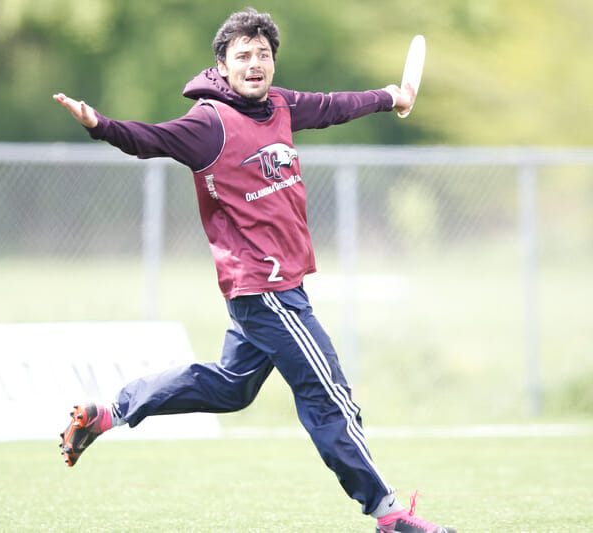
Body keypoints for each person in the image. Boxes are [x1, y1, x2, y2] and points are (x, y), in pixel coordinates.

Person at [53, 8, 456, 533]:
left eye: (263, 54)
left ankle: (109, 412)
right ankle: (389, 515)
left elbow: (334, 106)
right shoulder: (208, 123)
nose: (255, 63)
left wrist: (389, 97)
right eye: (242, 55)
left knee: (230, 389)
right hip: (265, 290)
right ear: (221, 66)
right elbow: (148, 138)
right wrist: (99, 125)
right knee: (327, 390)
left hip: (269, 289)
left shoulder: (282, 106)